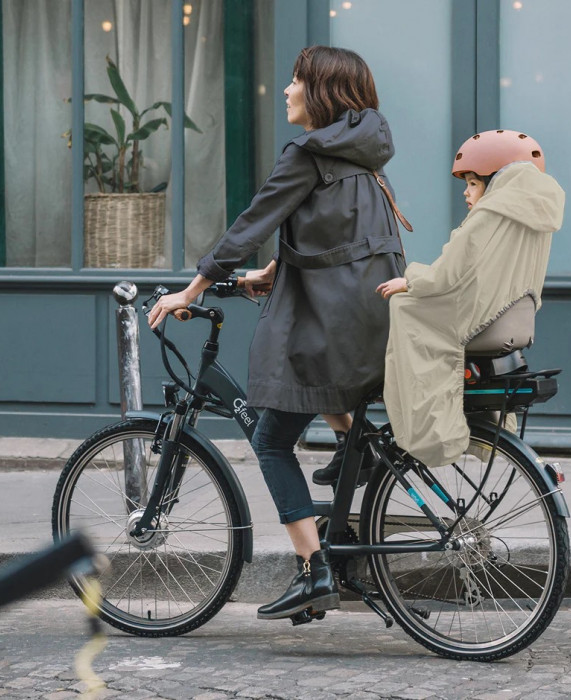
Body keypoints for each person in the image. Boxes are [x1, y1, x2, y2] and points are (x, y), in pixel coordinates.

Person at [147, 46, 407, 620]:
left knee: (269, 440)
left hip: (333, 326)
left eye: (295, 82)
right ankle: (352, 455)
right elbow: (342, 233)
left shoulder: (309, 154)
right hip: (370, 317)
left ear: (320, 93)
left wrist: (192, 290)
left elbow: (251, 223)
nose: (287, 91)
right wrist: (273, 272)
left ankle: (313, 571)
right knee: (312, 386)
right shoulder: (364, 151)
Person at [375, 129, 565, 468]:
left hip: (478, 319)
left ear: (496, 182)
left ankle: (432, 437)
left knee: (405, 308)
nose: (466, 192)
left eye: (473, 183)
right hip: (512, 321)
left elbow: (449, 272)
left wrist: (409, 280)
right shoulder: (535, 213)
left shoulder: (490, 214)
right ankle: (481, 435)